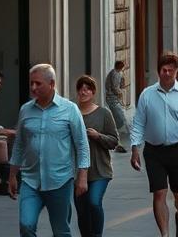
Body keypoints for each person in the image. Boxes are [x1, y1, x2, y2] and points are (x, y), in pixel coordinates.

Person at [9, 64, 90, 237]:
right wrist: (12, 175)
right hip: (30, 180)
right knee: (26, 225)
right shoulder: (25, 110)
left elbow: (82, 144)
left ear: (52, 84)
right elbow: (19, 144)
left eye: (38, 84)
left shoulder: (69, 109)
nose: (33, 88)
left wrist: (82, 176)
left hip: (60, 180)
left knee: (60, 231)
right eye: (31, 83)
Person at [130, 51, 178, 237]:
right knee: (159, 193)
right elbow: (138, 124)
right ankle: (165, 234)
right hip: (154, 151)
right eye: (163, 70)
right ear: (158, 71)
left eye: (171, 70)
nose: (167, 73)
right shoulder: (147, 94)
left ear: (177, 71)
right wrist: (135, 148)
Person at [73, 76, 117, 237]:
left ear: (93, 92)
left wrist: (98, 136)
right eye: (81, 89)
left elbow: (114, 141)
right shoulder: (72, 112)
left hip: (100, 170)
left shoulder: (104, 113)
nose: (84, 92)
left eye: (87, 89)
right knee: (82, 209)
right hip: (77, 171)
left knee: (94, 202)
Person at [104, 61, 129, 153]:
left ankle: (118, 137)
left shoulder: (115, 73)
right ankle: (117, 137)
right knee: (119, 117)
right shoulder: (115, 74)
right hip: (112, 98)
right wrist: (120, 93)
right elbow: (115, 86)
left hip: (113, 98)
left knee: (118, 116)